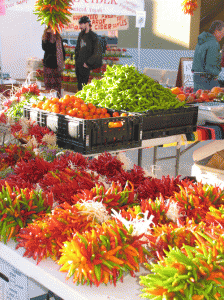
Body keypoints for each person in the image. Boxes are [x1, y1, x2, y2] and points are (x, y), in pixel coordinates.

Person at [192, 20, 224, 92]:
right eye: (222, 32)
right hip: (207, 80)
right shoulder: (214, 43)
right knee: (213, 100)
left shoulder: (202, 40)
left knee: (198, 100)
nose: (223, 35)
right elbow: (211, 64)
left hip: (197, 77)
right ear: (216, 31)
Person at [75, 16, 102, 91]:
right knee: (79, 86)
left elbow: (97, 52)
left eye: (81, 24)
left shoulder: (94, 36)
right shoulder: (81, 35)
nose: (80, 26)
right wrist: (76, 61)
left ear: (87, 24)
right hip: (79, 65)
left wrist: (88, 63)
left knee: (85, 87)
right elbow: (77, 48)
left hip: (87, 66)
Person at [42, 26, 65, 98]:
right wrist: (50, 34)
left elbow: (62, 51)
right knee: (52, 87)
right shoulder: (46, 36)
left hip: (54, 65)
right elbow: (45, 48)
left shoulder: (57, 37)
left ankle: (55, 101)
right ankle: (52, 101)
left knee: (54, 86)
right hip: (50, 64)